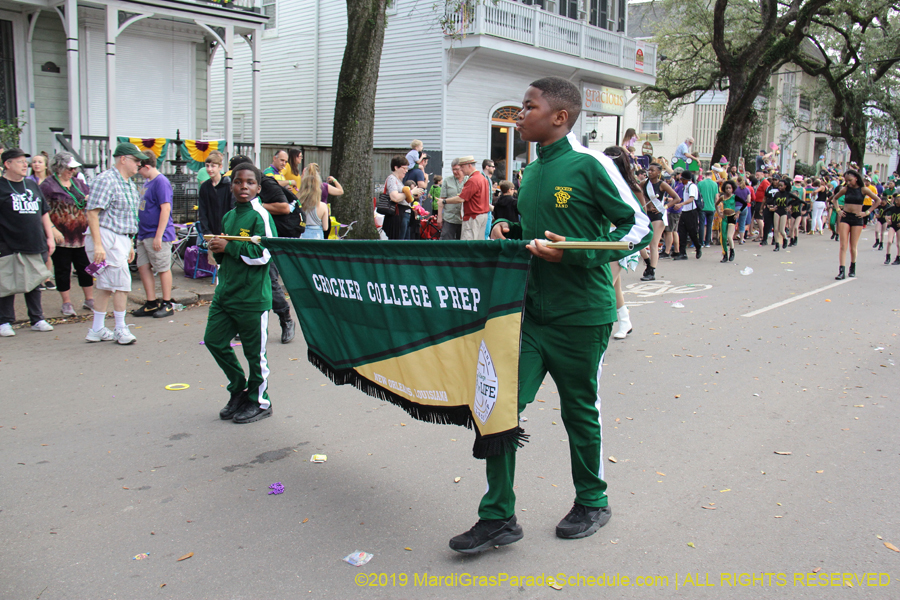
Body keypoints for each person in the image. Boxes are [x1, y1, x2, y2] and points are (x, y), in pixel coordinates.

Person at [451, 76, 650, 554]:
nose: (521, 115)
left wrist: (577, 255)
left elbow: (638, 225)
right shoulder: (533, 170)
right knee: (498, 407)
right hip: (530, 315)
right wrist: (510, 225)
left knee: (579, 411)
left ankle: (592, 501)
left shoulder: (590, 164)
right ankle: (498, 516)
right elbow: (543, 228)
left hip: (582, 315)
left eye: (528, 107)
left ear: (559, 117)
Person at [204, 163, 277, 424]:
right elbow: (225, 257)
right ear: (231, 184)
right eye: (237, 181)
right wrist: (217, 249)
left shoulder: (261, 216)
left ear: (258, 187)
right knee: (213, 341)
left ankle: (260, 401)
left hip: (251, 298)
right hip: (225, 295)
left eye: (249, 182)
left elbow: (267, 254)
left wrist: (230, 247)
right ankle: (239, 389)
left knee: (254, 355)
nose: (243, 186)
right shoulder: (229, 216)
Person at [84, 142, 147, 345]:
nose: (139, 164)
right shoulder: (106, 180)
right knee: (121, 284)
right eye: (136, 160)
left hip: (120, 236)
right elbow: (92, 213)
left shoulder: (128, 183)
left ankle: (97, 329)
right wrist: (99, 244)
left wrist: (128, 242)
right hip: (107, 235)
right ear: (123, 159)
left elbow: (127, 217)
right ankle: (120, 328)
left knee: (107, 286)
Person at [0, 148, 55, 337]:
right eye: (20, 161)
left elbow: (44, 212)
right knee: (8, 282)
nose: (26, 165)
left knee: (34, 281)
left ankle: (37, 318)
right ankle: (5, 321)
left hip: (34, 240)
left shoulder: (31, 186)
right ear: (7, 164)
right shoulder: (1, 186)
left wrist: (49, 237)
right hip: (8, 243)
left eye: (26, 161)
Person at [40, 151, 94, 316]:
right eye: (69, 168)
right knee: (63, 269)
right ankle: (66, 302)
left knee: (86, 268)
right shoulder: (48, 185)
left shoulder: (79, 183)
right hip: (61, 235)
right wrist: (52, 229)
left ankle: (89, 299)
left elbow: (89, 200)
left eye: (73, 168)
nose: (72, 171)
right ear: (59, 167)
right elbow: (43, 210)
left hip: (81, 235)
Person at [132, 150, 177, 318]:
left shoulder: (161, 182)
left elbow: (165, 208)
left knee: (162, 267)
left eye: (140, 168)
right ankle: (151, 302)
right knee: (143, 266)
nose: (138, 171)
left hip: (156, 233)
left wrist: (159, 235)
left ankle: (167, 302)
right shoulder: (147, 182)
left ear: (147, 166)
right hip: (143, 232)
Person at [829, 169, 879, 279]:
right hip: (846, 217)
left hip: (857, 218)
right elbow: (834, 199)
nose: (848, 182)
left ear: (856, 178)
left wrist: (867, 212)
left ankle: (852, 267)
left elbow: (877, 200)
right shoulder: (845, 189)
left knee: (853, 246)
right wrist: (838, 210)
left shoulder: (863, 189)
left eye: (850, 180)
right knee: (843, 245)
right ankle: (841, 270)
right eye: (846, 180)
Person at [640, 162, 679, 281]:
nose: (650, 172)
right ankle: (648, 262)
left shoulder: (662, 185)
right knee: (640, 242)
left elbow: (677, 198)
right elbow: (638, 194)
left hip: (658, 216)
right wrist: (646, 204)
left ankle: (652, 270)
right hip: (647, 215)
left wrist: (665, 207)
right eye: (649, 170)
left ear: (659, 172)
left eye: (652, 170)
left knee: (653, 243)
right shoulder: (643, 183)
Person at [443, 156, 491, 240]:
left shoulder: (473, 180)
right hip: (483, 215)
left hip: (473, 217)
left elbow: (461, 198)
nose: (461, 169)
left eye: (462, 167)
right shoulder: (483, 178)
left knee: (467, 243)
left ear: (469, 165)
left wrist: (444, 201)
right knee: (478, 243)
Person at [197, 151, 233, 242]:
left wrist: (229, 231)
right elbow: (202, 211)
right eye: (207, 166)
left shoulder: (228, 185)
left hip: (227, 234)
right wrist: (207, 232)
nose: (209, 169)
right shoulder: (205, 187)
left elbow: (232, 210)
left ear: (220, 167)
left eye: (213, 166)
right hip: (211, 234)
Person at [383, 155, 418, 240]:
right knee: (399, 243)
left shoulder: (398, 180)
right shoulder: (392, 179)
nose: (406, 171)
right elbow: (394, 197)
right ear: (396, 167)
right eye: (404, 168)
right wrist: (411, 192)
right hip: (398, 216)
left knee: (404, 245)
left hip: (404, 214)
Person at [298, 164, 331, 240]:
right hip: (317, 238)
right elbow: (325, 228)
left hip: (301, 236)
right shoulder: (323, 206)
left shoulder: (298, 203)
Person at [674, 171, 702, 260]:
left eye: (682, 179)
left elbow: (691, 198)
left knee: (692, 232)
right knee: (682, 232)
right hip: (684, 211)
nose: (681, 180)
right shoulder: (684, 187)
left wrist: (681, 204)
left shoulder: (692, 186)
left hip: (691, 212)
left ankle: (698, 246)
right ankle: (682, 253)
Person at [438, 159, 465, 240]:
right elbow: (441, 200)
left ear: (462, 168)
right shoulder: (447, 180)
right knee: (446, 242)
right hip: (449, 218)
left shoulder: (468, 180)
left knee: (462, 243)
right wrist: (439, 217)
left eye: (457, 169)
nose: (455, 172)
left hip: (463, 219)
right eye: (453, 169)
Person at [715, 179, 737, 262]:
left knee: (729, 236)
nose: (728, 190)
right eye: (727, 188)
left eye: (730, 188)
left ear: (732, 189)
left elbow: (744, 204)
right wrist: (719, 213)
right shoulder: (722, 197)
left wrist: (738, 213)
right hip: (724, 218)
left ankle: (732, 251)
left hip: (732, 217)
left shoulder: (734, 197)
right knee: (723, 237)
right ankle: (725, 254)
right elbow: (716, 204)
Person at [698, 171, 719, 247]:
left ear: (705, 175)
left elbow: (698, 196)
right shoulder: (715, 184)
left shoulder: (700, 183)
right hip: (711, 207)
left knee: (701, 225)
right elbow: (716, 198)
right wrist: (716, 207)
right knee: (710, 225)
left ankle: (701, 242)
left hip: (702, 207)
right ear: (711, 175)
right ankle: (707, 242)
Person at [883, 192, 900, 265]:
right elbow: (884, 212)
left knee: (898, 243)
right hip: (892, 226)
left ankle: (898, 257)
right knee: (889, 241)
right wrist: (887, 220)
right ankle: (888, 256)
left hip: (899, 227)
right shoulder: (892, 207)